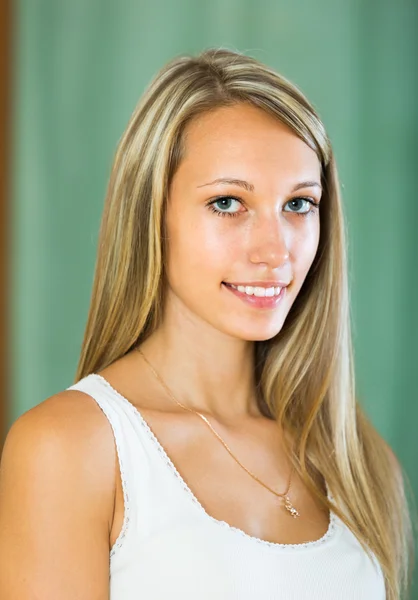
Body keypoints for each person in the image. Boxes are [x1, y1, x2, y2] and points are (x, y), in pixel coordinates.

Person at [0, 48, 413, 600]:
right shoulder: (72, 448)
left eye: (298, 204)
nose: (275, 250)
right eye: (227, 202)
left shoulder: (359, 461)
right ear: (152, 215)